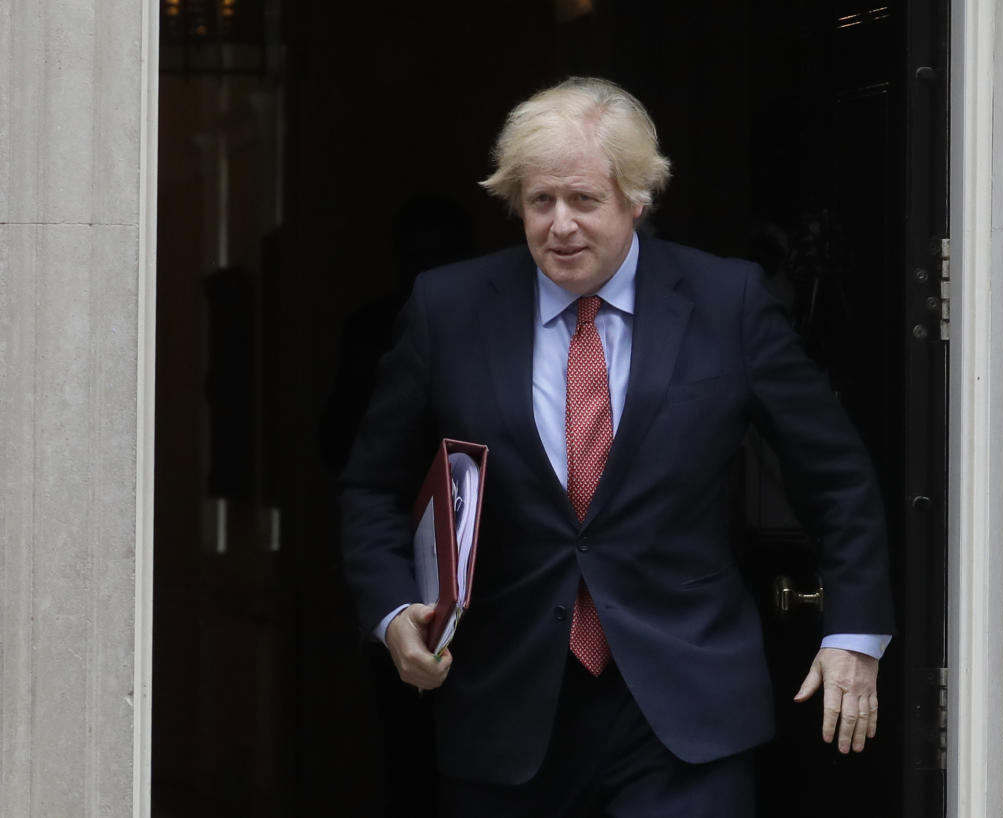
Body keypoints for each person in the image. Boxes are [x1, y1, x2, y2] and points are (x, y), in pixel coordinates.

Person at [340, 77, 894, 818]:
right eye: (540, 202)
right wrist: (394, 608)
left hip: (685, 706)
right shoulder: (449, 309)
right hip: (505, 708)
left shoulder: (727, 302)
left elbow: (837, 477)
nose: (560, 226)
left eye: (584, 201)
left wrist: (853, 634)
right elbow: (371, 486)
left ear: (638, 198)